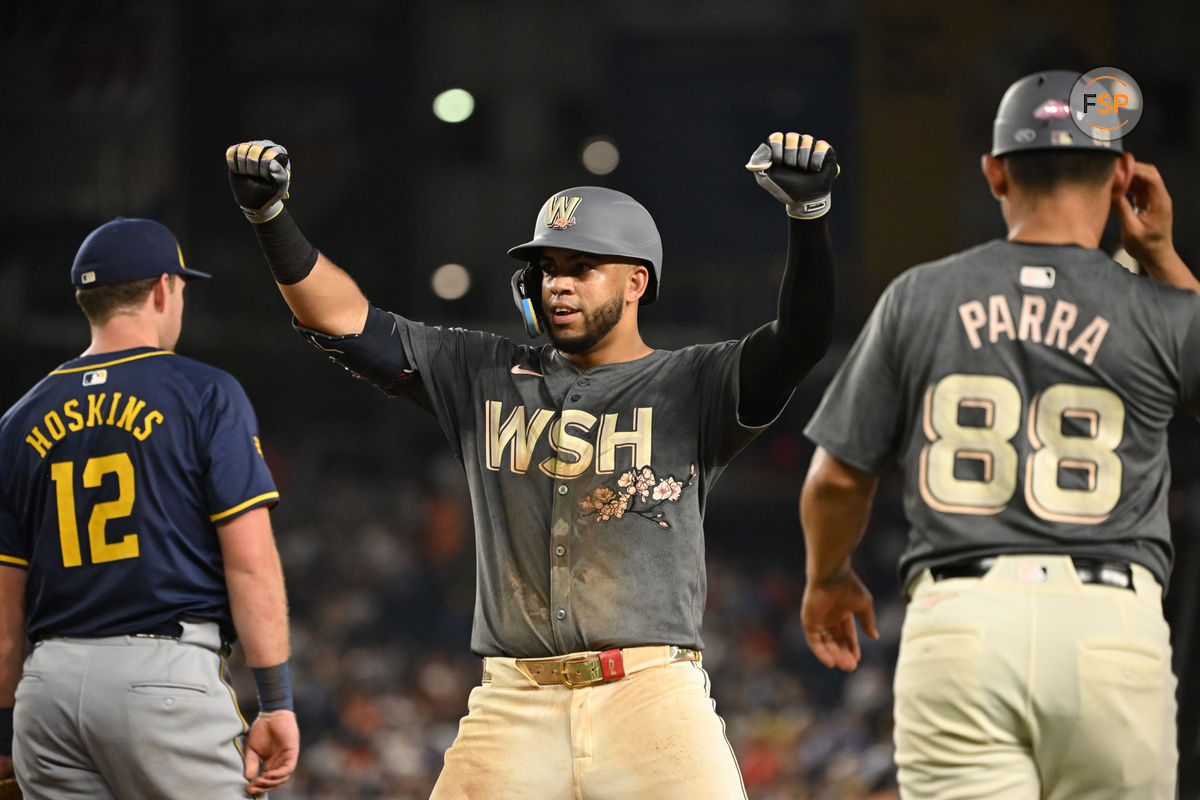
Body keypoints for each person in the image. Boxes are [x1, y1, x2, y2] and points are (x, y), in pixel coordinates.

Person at [225, 130, 839, 797]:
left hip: (652, 694)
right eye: (548, 268)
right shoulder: (483, 372)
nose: (559, 285)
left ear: (638, 281)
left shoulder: (693, 383)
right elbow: (345, 322)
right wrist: (271, 219)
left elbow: (799, 341)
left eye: (582, 267)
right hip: (513, 699)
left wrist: (807, 219)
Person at [798, 69, 1200, 799]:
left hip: (961, 622)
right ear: (1122, 175)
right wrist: (1165, 260)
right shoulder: (1159, 309)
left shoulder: (919, 295)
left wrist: (827, 578)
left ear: (993, 172)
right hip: (1112, 623)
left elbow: (836, 479)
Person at [0, 218, 300, 799]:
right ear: (163, 289)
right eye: (182, 289)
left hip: (48, 689)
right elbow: (250, 562)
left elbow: (4, 606)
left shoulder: (16, 423)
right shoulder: (205, 393)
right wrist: (276, 701)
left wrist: (3, 725)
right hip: (163, 680)